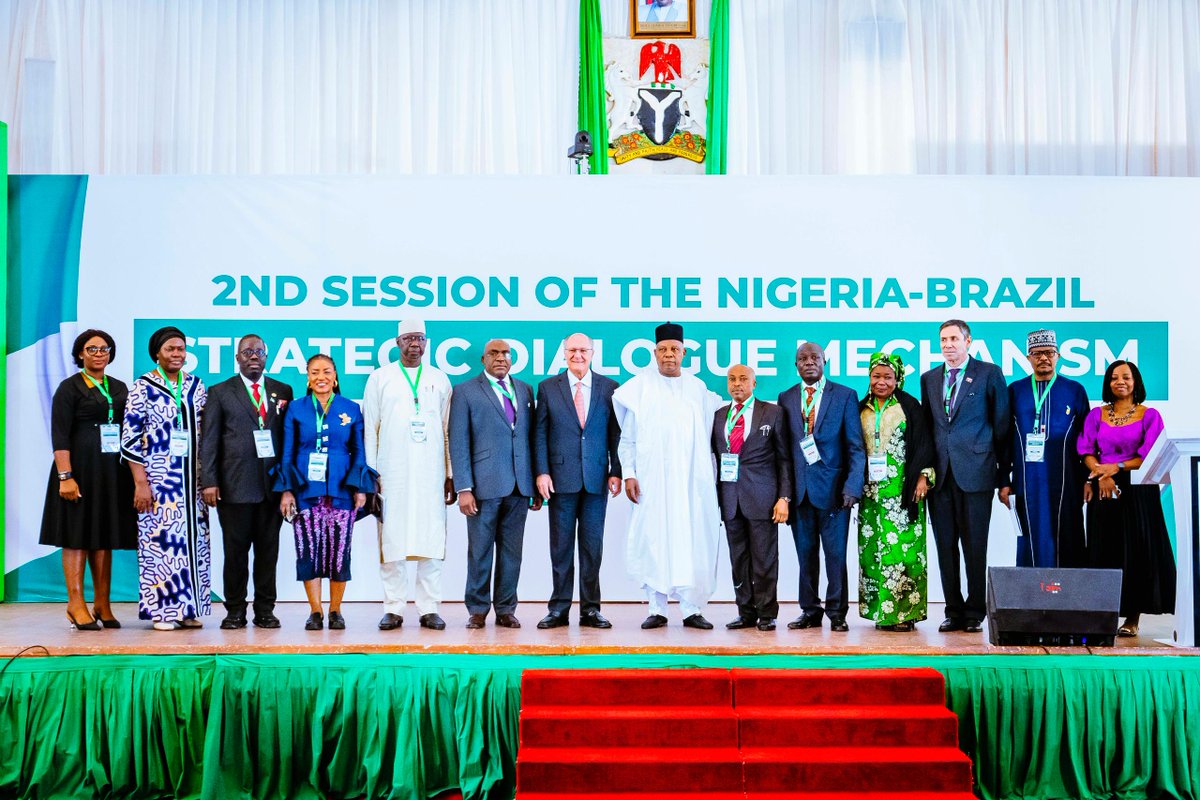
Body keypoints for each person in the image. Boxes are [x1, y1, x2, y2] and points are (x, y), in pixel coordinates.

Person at [612, 322, 723, 630]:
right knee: (654, 539)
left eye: (674, 349)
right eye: (663, 350)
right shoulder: (640, 387)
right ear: (654, 353)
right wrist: (629, 473)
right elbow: (627, 438)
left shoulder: (697, 388)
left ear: (684, 353)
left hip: (690, 483)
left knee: (690, 540)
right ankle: (656, 608)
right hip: (653, 482)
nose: (669, 355)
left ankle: (690, 609)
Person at [40, 329, 136, 630]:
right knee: (77, 535)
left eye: (104, 349)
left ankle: (102, 604)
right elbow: (59, 435)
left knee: (103, 535)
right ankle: (75, 604)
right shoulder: (69, 388)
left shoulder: (119, 387)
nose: (98, 354)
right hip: (79, 471)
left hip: (111, 472)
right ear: (80, 353)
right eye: (91, 349)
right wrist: (65, 476)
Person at [363, 320, 454, 632]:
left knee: (432, 539)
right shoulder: (380, 378)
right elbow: (371, 428)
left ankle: (429, 608)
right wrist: (371, 473)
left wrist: (450, 473)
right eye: (408, 338)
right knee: (392, 539)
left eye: (420, 338)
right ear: (397, 342)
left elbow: (447, 430)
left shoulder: (439, 378)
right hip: (391, 472)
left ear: (426, 342)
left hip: (431, 473)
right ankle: (393, 607)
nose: (415, 343)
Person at [920, 319, 1009, 634]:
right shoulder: (929, 378)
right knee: (945, 547)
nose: (948, 345)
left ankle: (974, 611)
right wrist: (925, 472)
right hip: (941, 478)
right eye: (943, 339)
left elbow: (1001, 425)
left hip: (977, 473)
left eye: (954, 339)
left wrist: (1003, 475)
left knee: (974, 547)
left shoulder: (989, 373)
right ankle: (953, 610)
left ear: (968, 342)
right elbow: (929, 428)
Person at [199, 334, 293, 630]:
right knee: (235, 554)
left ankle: (265, 610)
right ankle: (235, 611)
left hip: (272, 488)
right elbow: (209, 440)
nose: (254, 356)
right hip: (234, 486)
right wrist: (209, 481)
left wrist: (288, 486)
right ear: (237, 358)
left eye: (259, 352)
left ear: (266, 357)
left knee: (268, 554)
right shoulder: (220, 392)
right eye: (247, 352)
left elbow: (288, 441)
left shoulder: (282, 390)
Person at [121, 326, 210, 631]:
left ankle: (188, 608)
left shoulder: (196, 386)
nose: (176, 354)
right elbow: (129, 439)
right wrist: (141, 483)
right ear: (157, 353)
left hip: (192, 483)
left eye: (181, 349)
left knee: (193, 543)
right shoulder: (143, 386)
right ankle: (162, 611)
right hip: (159, 482)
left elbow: (207, 433)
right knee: (161, 545)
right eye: (170, 349)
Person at [1077, 360, 1175, 638]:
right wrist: (1101, 473)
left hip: (1138, 489)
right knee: (1102, 549)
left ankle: (1132, 616)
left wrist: (1116, 467)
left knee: (1136, 552)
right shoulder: (1096, 415)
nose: (1120, 381)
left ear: (1136, 382)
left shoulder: (1150, 415)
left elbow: (1149, 455)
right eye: (1114, 377)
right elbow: (1085, 449)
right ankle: (1103, 614)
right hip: (1103, 487)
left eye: (1126, 377)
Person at [276, 354, 373, 631]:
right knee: (308, 550)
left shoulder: (350, 408)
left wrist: (360, 488)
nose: (321, 377)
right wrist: (286, 491)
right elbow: (287, 452)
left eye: (327, 371)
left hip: (342, 491)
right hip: (306, 490)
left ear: (335, 377)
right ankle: (316, 611)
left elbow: (359, 451)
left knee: (339, 552)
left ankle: (336, 610)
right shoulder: (296, 408)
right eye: (315, 372)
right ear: (308, 378)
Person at [449, 338, 541, 629]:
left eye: (505, 353)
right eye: (494, 353)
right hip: (482, 486)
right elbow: (458, 440)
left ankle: (505, 609)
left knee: (512, 553)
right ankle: (477, 609)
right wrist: (464, 487)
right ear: (483, 359)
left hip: (520, 486)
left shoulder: (524, 389)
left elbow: (531, 438)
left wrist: (534, 483)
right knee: (480, 551)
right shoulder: (465, 391)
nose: (500, 358)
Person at [534, 333, 623, 630]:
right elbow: (540, 433)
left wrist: (616, 470)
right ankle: (558, 609)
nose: (578, 355)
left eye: (583, 350)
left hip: (597, 480)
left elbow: (616, 433)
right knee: (560, 548)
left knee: (592, 548)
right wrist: (542, 471)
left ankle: (591, 610)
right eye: (572, 350)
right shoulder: (548, 388)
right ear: (564, 353)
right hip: (560, 481)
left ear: (593, 353)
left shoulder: (610, 387)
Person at [777, 342, 866, 632]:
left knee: (835, 556)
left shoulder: (844, 395)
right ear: (796, 365)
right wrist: (785, 494)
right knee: (805, 557)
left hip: (835, 493)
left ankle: (837, 613)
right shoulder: (786, 398)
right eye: (802, 358)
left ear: (824, 362)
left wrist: (852, 487)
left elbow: (855, 447)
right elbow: (784, 452)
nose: (809, 362)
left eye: (815, 357)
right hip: (800, 493)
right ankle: (810, 611)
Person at [998, 330, 1090, 568]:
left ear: (1058, 355)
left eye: (1049, 352)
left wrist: (1087, 479)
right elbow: (1004, 439)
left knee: (1068, 532)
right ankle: (1031, 588)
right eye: (1037, 353)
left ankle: (1070, 589)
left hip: (1067, 479)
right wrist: (1003, 480)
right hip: (1026, 480)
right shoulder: (1015, 391)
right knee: (1030, 533)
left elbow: (1087, 440)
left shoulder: (1075, 390)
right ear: (1028, 357)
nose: (1043, 358)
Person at [710, 364, 792, 632]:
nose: (737, 384)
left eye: (743, 379)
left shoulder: (773, 413)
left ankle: (766, 613)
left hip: (763, 498)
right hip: (730, 499)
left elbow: (784, 459)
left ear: (754, 384)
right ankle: (745, 612)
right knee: (739, 559)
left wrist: (784, 497)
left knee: (764, 559)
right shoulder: (719, 416)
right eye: (732, 379)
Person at [857, 352, 935, 632]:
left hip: (904, 492)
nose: (881, 382)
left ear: (897, 379)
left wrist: (923, 477)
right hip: (871, 495)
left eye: (887, 377)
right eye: (876, 376)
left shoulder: (910, 406)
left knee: (905, 553)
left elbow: (925, 443)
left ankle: (905, 614)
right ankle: (882, 613)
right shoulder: (861, 408)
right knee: (874, 553)